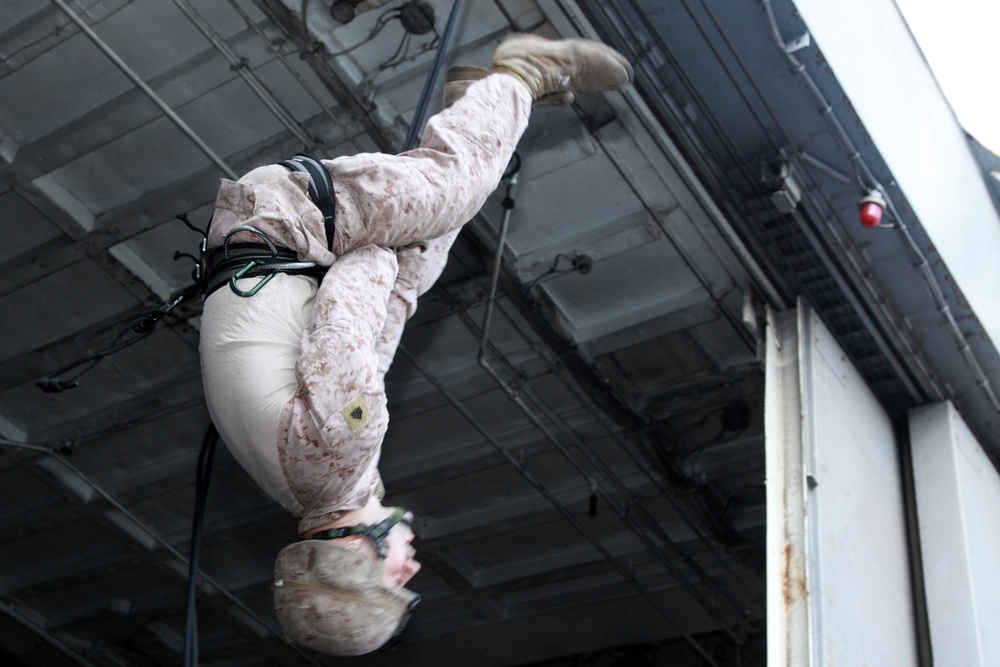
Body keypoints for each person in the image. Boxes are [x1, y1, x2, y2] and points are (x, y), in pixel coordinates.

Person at [198, 33, 633, 656]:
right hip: (268, 234)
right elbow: (372, 329)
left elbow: (357, 286)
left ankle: (526, 71)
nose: (412, 570)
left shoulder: (339, 450)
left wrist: (417, 224)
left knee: (455, 186)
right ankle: (475, 103)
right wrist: (415, 249)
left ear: (354, 550)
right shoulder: (308, 485)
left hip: (292, 214)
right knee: (416, 268)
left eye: (394, 578)